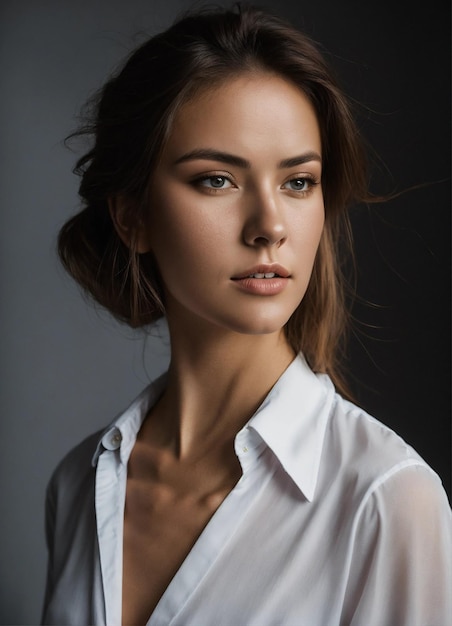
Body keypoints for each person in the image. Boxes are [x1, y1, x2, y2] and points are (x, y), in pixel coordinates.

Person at [41, 5, 451, 625]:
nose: (269, 228)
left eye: (298, 182)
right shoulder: (79, 486)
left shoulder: (386, 498)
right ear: (132, 216)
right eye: (216, 180)